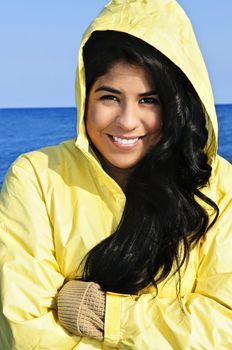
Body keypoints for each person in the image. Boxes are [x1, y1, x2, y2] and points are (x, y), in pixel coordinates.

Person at [0, 0, 232, 348]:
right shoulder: (37, 177)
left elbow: (222, 326)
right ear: (86, 96)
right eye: (110, 97)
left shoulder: (217, 185)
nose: (126, 121)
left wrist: (106, 315)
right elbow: (24, 331)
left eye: (149, 100)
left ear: (176, 105)